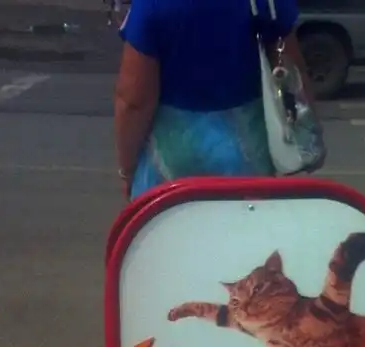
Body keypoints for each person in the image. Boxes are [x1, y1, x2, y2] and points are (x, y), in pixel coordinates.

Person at [114, 0, 316, 201]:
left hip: (169, 164)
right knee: (247, 219)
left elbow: (134, 101)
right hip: (247, 156)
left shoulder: (152, 4)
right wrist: (308, 135)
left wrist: (127, 170)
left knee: (168, 221)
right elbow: (293, 74)